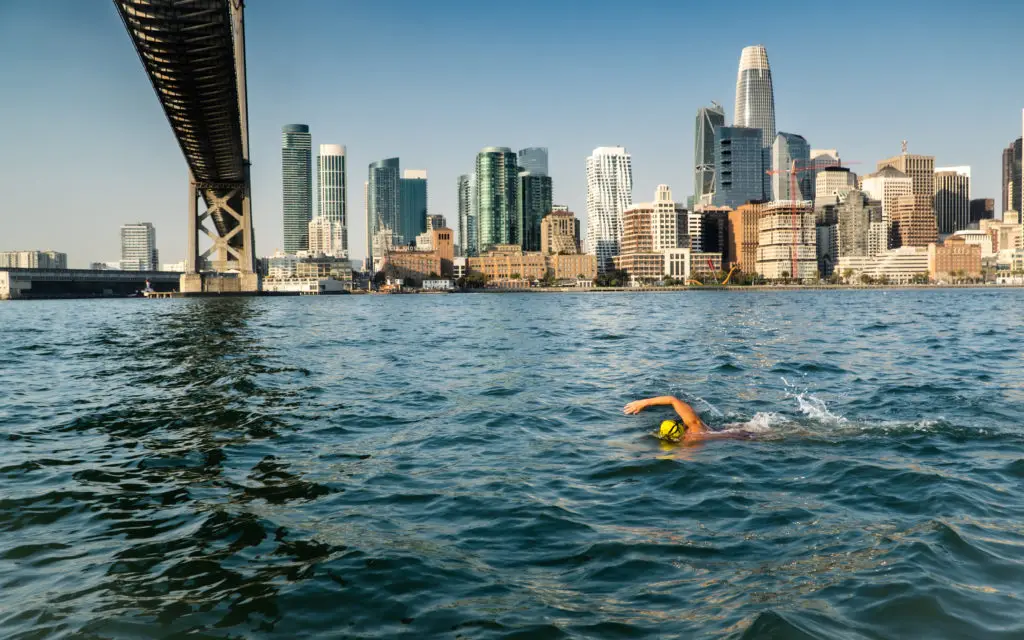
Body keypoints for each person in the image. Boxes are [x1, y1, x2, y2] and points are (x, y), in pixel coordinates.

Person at [624, 395, 749, 443]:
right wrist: (643, 402)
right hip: (743, 434)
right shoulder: (694, 426)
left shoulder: (688, 442)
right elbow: (672, 399)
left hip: (729, 435)